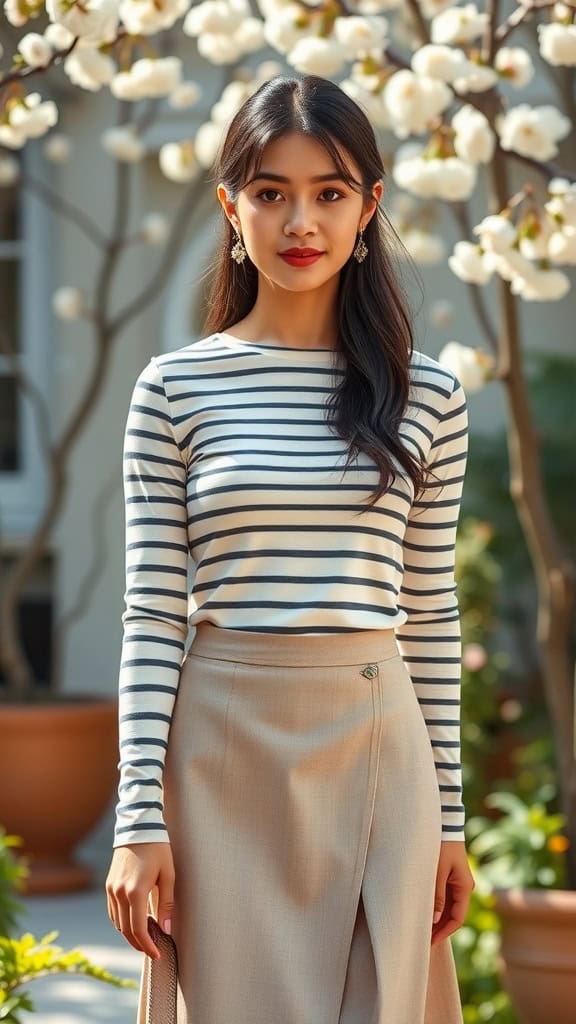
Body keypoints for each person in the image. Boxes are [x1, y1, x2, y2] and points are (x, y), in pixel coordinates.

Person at [105, 73, 475, 1024]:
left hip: (379, 751)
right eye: (270, 192)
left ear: (369, 209)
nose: (300, 220)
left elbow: (430, 614)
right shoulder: (174, 390)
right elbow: (151, 610)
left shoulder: (429, 396)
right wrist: (138, 817)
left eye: (330, 192)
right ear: (232, 208)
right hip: (222, 759)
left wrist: (451, 822)